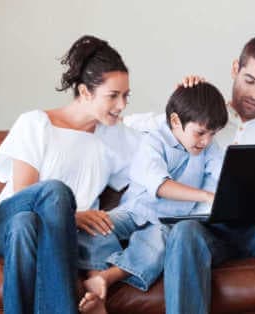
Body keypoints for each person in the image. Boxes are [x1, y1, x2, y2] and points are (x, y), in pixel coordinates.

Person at [126, 36, 255, 314]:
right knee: (183, 231)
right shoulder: (205, 120)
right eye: (249, 80)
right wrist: (180, 100)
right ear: (234, 69)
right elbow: (129, 124)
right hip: (207, 230)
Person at [0, 35, 140, 314]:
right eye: (113, 96)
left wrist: (188, 96)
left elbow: (163, 145)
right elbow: (25, 195)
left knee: (26, 228)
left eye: (125, 96)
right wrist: (73, 215)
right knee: (53, 193)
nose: (122, 105)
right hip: (1, 223)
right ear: (85, 92)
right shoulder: (37, 124)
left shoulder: (116, 136)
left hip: (31, 230)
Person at [77, 82, 229, 313]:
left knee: (159, 242)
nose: (206, 141)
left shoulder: (208, 147)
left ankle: (106, 278)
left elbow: (223, 175)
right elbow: (161, 186)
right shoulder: (152, 141)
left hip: (168, 222)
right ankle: (95, 279)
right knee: (94, 226)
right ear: (176, 122)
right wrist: (207, 195)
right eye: (200, 133)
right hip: (135, 211)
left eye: (212, 134)